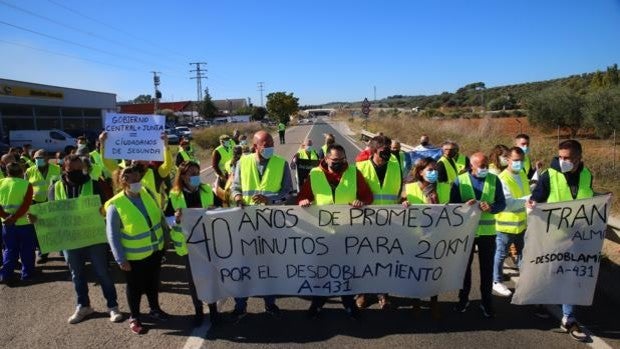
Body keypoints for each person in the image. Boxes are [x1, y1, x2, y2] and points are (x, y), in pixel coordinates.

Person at [35, 154, 123, 324]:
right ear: (64, 169)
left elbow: (107, 206)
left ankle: (112, 306)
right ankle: (83, 305)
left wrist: (102, 211)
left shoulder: (94, 184)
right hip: (70, 240)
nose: (77, 171)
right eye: (73, 169)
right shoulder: (55, 187)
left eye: (79, 168)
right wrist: (37, 219)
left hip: (94, 238)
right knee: (77, 274)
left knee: (103, 273)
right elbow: (51, 212)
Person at [526, 139, 592, 342]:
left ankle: (569, 317)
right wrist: (532, 203)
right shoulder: (549, 175)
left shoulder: (587, 174)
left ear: (579, 158)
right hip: (552, 235)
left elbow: (587, 199)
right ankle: (540, 298)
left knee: (570, 275)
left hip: (576, 236)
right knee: (549, 272)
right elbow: (537, 196)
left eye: (568, 158)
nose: (563, 161)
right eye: (560, 157)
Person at [298, 143, 372, 319]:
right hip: (322, 233)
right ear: (326, 159)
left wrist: (360, 202)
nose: (338, 163)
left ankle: (348, 302)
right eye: (334, 160)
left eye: (341, 160)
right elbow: (303, 196)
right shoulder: (315, 174)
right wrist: (303, 201)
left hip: (348, 233)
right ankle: (318, 302)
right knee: (322, 271)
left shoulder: (354, 172)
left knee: (347, 271)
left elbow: (367, 196)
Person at [230, 130, 293, 320]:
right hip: (246, 223)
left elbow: (287, 191)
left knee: (269, 267)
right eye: (266, 145)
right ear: (255, 146)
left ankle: (270, 303)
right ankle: (240, 306)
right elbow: (235, 187)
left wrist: (270, 199)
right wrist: (238, 197)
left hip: (270, 223)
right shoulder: (243, 162)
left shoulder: (281, 164)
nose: (270, 148)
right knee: (243, 266)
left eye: (272, 144)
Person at [105, 165, 170, 335]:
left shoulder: (147, 194)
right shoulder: (115, 204)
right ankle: (134, 317)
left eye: (138, 178)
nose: (137, 182)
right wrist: (120, 259)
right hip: (133, 256)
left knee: (152, 283)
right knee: (135, 288)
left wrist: (166, 241)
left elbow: (159, 217)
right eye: (133, 179)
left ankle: (155, 309)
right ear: (123, 181)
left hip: (155, 250)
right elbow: (113, 235)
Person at [165, 161, 221, 327]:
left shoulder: (206, 191)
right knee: (193, 281)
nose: (196, 176)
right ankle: (198, 311)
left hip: (207, 242)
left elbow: (221, 210)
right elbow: (168, 219)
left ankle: (213, 311)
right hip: (188, 245)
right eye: (191, 173)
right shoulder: (174, 195)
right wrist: (176, 218)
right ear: (183, 176)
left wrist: (214, 210)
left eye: (197, 172)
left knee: (210, 278)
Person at [450, 152, 505, 318]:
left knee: (487, 270)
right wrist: (465, 206)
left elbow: (502, 203)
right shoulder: (460, 180)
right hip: (467, 232)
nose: (485, 169)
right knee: (464, 268)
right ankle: (463, 299)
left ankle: (487, 302)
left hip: (488, 233)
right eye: (481, 166)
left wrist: (492, 208)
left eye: (486, 166)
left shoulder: (494, 180)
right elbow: (452, 207)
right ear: (472, 166)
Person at [355, 135, 402, 310]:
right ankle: (362, 293)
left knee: (385, 260)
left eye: (389, 150)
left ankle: (383, 294)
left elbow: (398, 192)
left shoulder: (396, 167)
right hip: (365, 223)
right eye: (384, 150)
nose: (388, 153)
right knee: (364, 260)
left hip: (389, 223)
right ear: (374, 150)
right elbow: (354, 195)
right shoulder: (359, 168)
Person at [401, 157, 450, 319]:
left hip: (437, 236)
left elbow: (454, 208)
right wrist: (404, 203)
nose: (434, 173)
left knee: (434, 270)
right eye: (430, 170)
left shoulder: (444, 187)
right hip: (415, 236)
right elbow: (400, 204)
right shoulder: (409, 187)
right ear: (420, 172)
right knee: (416, 270)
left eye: (436, 170)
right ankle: (416, 301)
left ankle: (434, 301)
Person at [492, 147, 529, 298]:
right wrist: (530, 199)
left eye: (521, 160)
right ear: (507, 160)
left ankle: (526, 280)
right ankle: (496, 281)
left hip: (521, 224)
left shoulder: (522, 174)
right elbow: (510, 204)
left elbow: (524, 194)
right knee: (501, 254)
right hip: (506, 225)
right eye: (515, 160)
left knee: (522, 253)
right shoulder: (502, 178)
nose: (519, 163)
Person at [100, 131, 172, 207]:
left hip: (153, 216)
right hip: (130, 215)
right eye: (134, 155)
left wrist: (165, 146)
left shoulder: (156, 173)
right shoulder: (124, 172)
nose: (137, 159)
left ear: (149, 159)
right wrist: (103, 144)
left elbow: (167, 165)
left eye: (142, 156)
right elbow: (107, 163)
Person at [0, 162, 35, 282]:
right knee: (27, 249)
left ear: (7, 172)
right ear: (21, 172)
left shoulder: (0, 182)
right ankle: (27, 274)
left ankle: (5, 274)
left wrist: (6, 217)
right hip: (24, 223)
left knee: (9, 249)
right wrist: (14, 217)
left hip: (7, 224)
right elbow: (26, 205)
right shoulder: (26, 184)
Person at [25, 149, 61, 264]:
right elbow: (26, 188)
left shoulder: (57, 169)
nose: (37, 160)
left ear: (46, 158)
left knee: (56, 227)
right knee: (40, 230)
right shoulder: (29, 171)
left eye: (40, 158)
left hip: (53, 202)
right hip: (37, 203)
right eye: (36, 159)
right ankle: (42, 253)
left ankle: (62, 248)